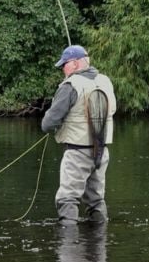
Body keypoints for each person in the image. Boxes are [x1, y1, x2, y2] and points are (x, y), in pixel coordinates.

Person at [41, 45, 117, 226]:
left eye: (64, 65)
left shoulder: (70, 85)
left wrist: (49, 125)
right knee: (96, 198)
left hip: (77, 153)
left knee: (67, 197)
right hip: (102, 152)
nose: (62, 69)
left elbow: (48, 123)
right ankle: (99, 241)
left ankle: (67, 243)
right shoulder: (105, 81)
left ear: (74, 64)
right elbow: (112, 110)